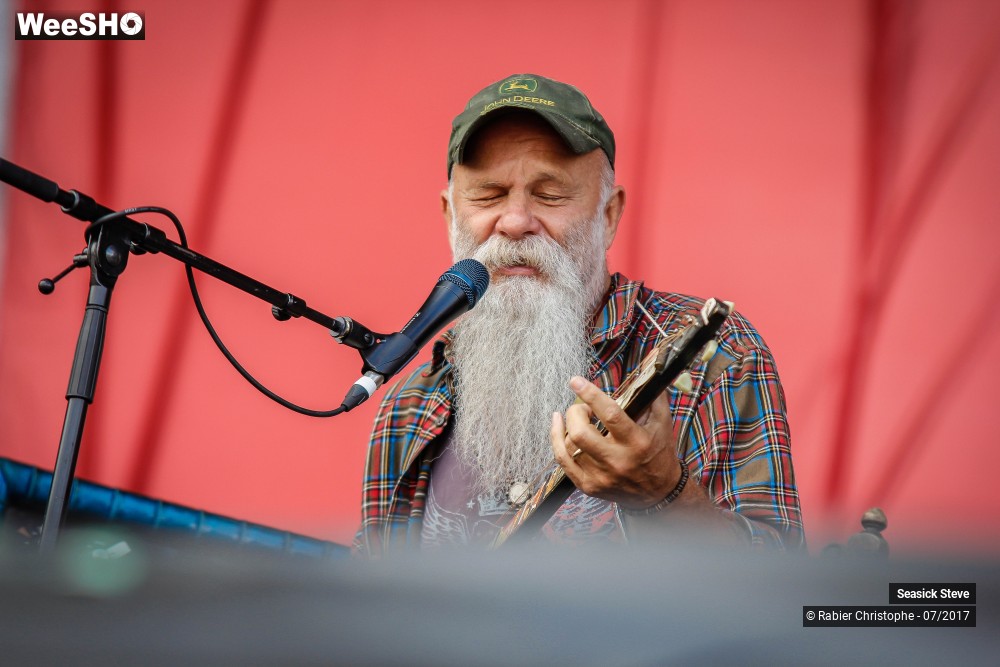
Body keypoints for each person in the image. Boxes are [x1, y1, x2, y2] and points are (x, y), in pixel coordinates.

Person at [353, 74, 803, 556]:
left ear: (609, 216)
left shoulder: (713, 355)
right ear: (449, 216)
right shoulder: (408, 407)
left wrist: (664, 497)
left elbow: (776, 590)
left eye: (550, 195)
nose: (515, 222)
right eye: (488, 194)